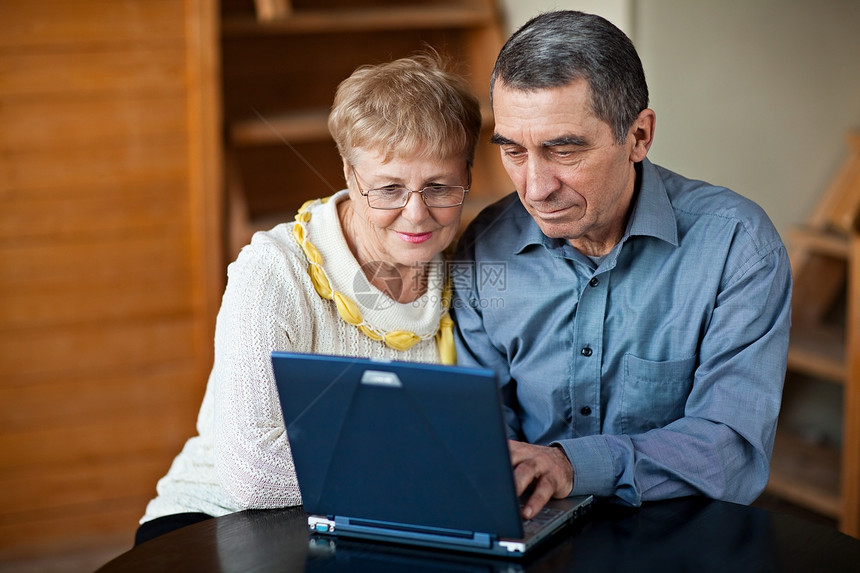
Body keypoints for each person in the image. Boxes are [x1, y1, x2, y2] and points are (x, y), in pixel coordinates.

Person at [450, 11, 792, 521]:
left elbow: (730, 452)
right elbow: (482, 430)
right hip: (530, 530)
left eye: (563, 150)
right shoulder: (484, 247)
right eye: (513, 150)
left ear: (638, 136)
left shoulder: (737, 246)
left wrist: (572, 464)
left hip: (684, 540)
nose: (535, 188)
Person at [135, 53, 482, 544]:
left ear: (468, 173)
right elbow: (254, 474)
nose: (417, 214)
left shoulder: (460, 266)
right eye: (388, 188)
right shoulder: (273, 272)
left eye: (440, 186)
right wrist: (419, 465)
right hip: (219, 520)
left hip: (371, 519)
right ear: (348, 174)